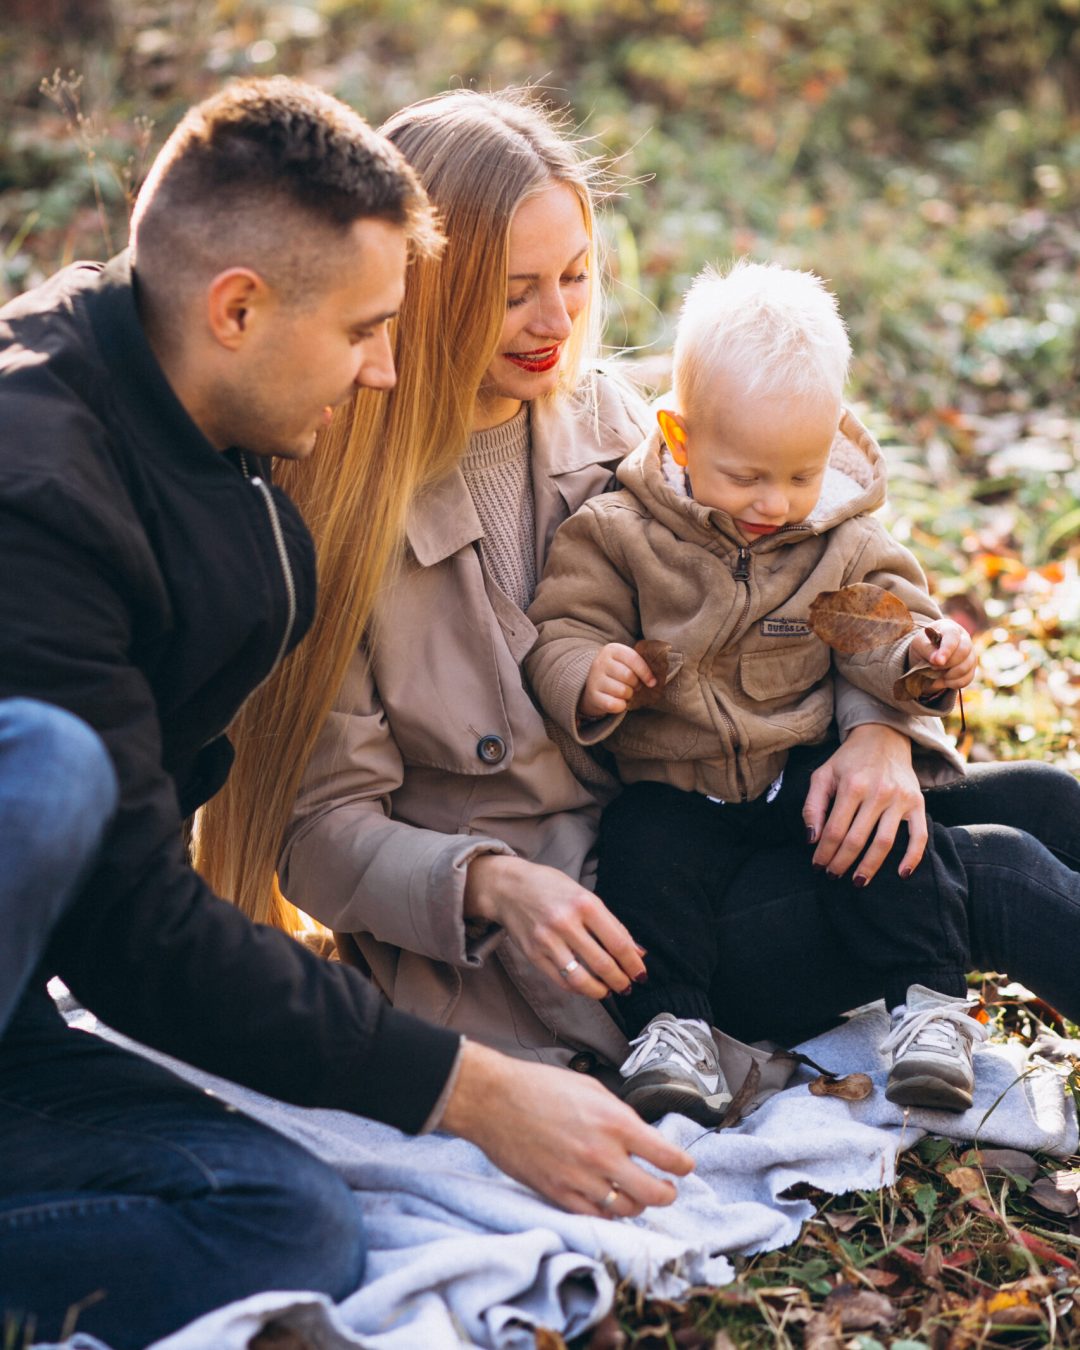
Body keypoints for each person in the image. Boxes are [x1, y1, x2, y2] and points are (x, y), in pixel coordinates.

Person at [200, 87, 1080, 1145]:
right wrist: (492, 887)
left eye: (573, 276)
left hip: (717, 819)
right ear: (418, 289)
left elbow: (808, 570)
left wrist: (883, 732)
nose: (557, 321)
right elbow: (312, 835)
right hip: (600, 942)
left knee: (1040, 795)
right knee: (995, 878)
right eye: (512, 290)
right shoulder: (338, 519)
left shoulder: (616, 417)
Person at [0, 79, 692, 1348]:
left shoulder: (192, 416)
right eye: (369, 328)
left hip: (21, 1002)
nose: (388, 366)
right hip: (53, 889)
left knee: (295, 1229)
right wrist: (470, 1093)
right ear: (239, 309)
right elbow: (137, 918)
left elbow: (113, 927)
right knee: (47, 770)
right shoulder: (37, 493)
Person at [525, 260, 986, 1122]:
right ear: (682, 437)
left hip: (793, 767)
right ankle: (676, 1032)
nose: (777, 503)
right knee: (640, 855)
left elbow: (886, 632)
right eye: (747, 477)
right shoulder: (619, 533)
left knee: (879, 828)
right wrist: (590, 674)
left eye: (801, 474)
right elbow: (562, 627)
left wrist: (925, 659)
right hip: (676, 785)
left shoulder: (836, 539)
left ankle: (929, 1003)